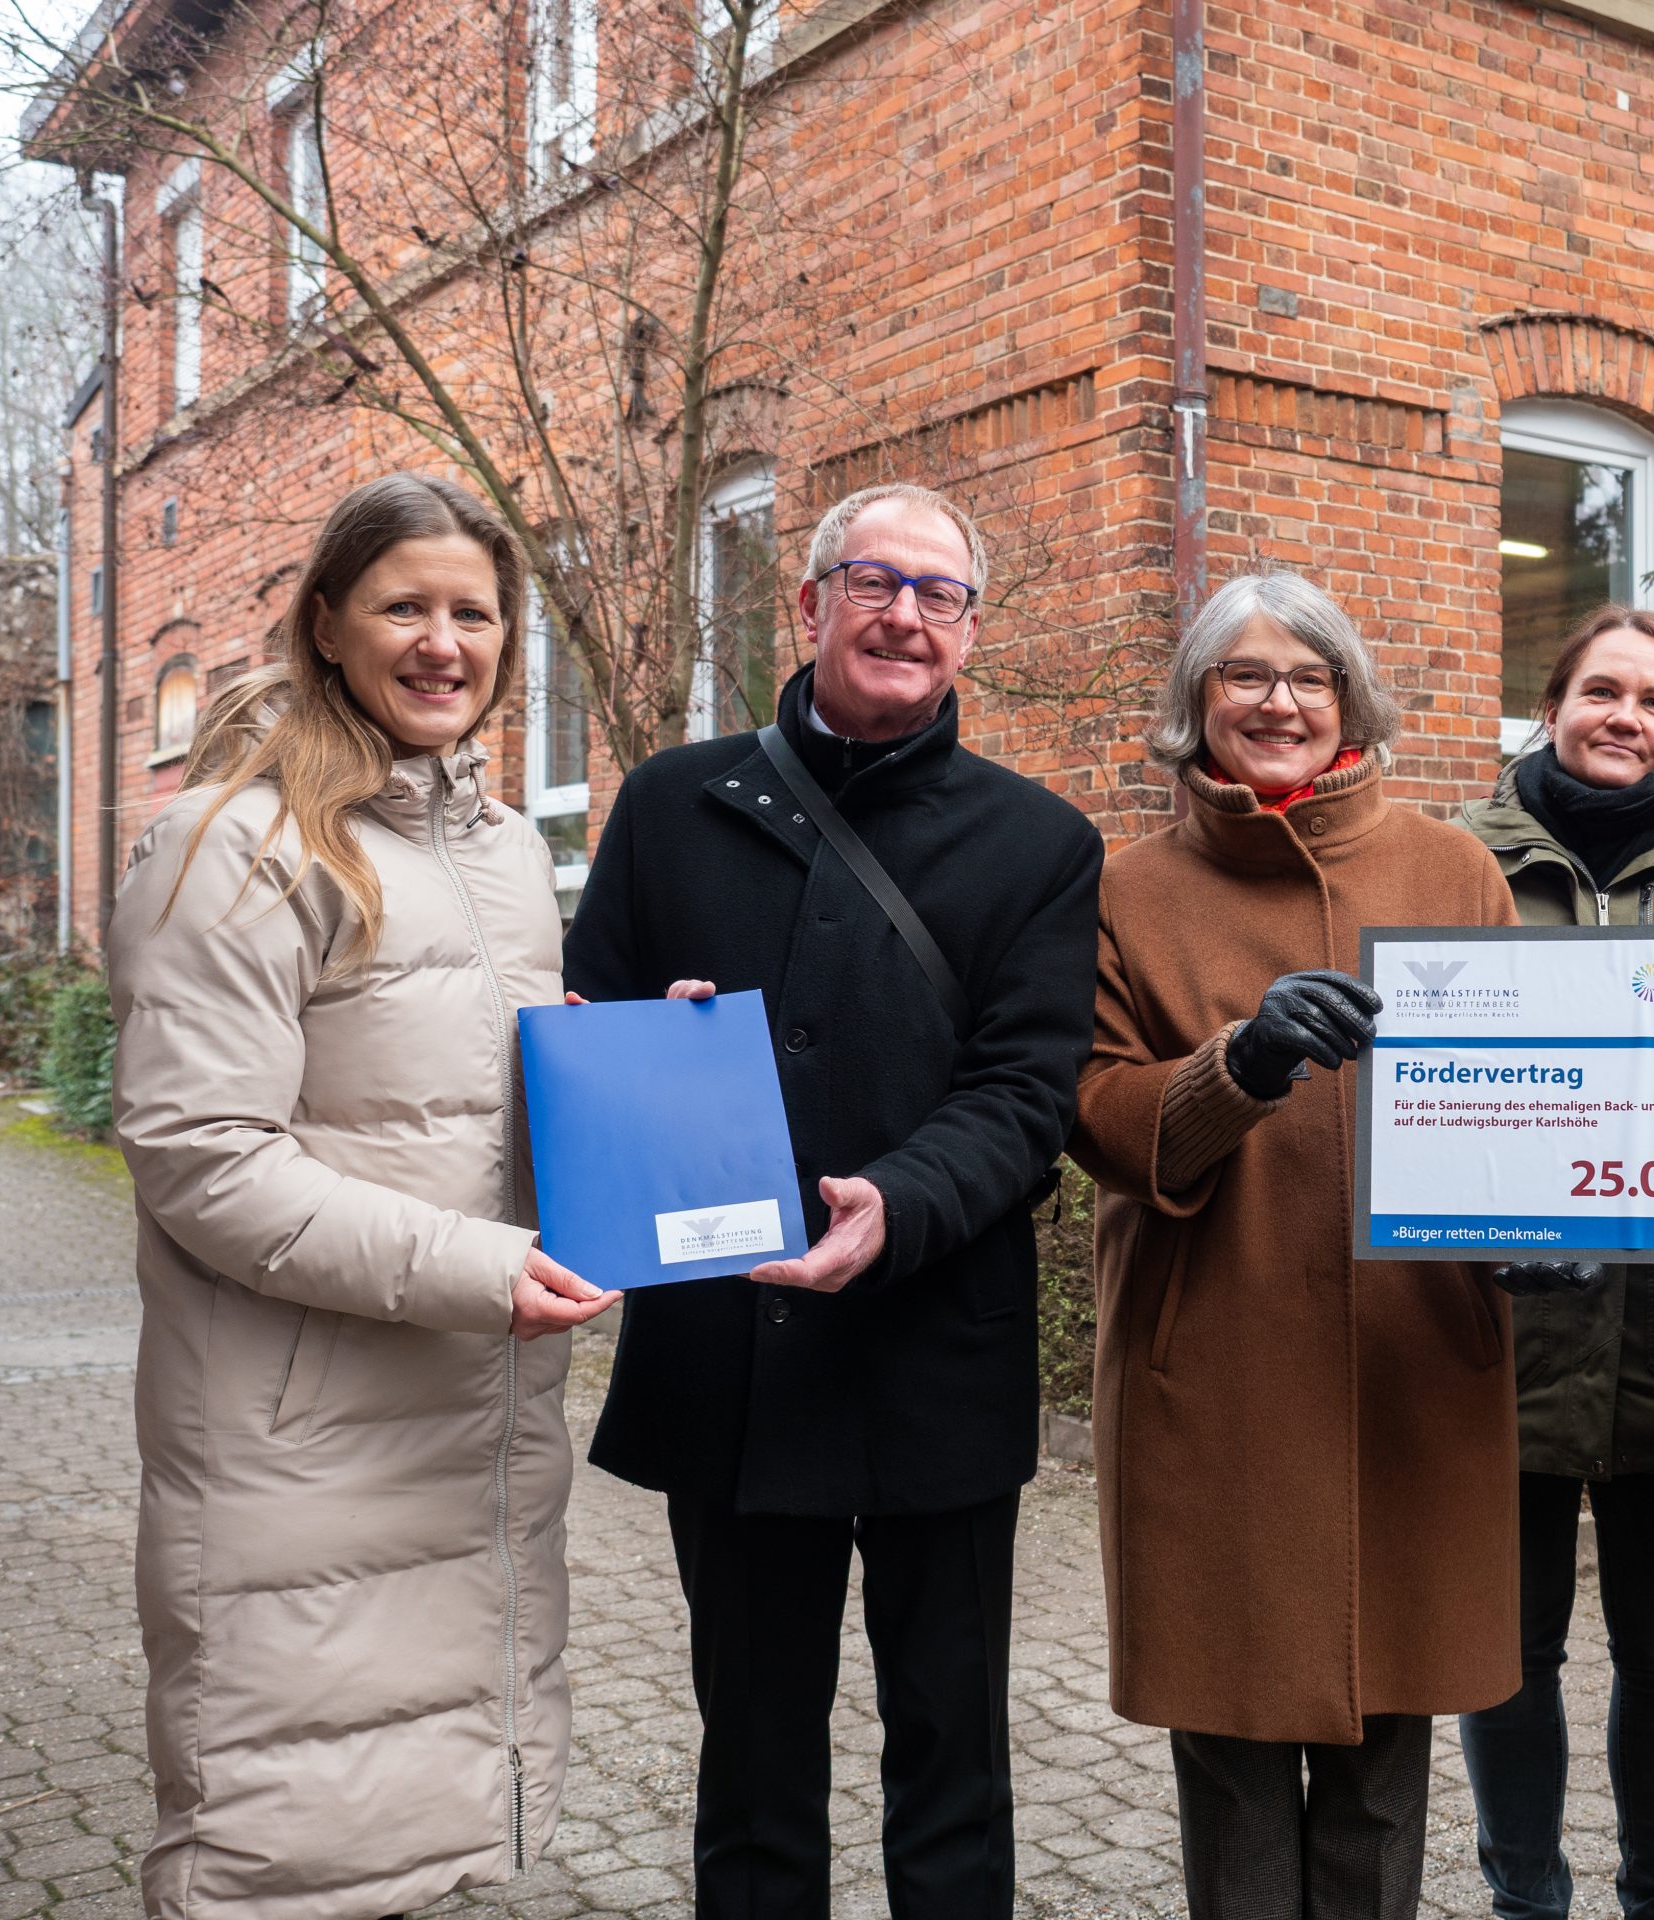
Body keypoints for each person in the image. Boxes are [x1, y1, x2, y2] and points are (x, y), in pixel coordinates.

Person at [562, 481, 1101, 1918]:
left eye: (941, 594)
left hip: (937, 1353)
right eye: (875, 580)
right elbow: (582, 1018)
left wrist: (902, 1201)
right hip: (730, 1361)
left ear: (970, 634)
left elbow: (1025, 1091)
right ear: (807, 605)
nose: (905, 615)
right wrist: (637, 1048)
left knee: (952, 1766)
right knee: (749, 1767)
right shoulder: (669, 804)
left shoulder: (1040, 844)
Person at [107, 472, 620, 1920]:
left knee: (432, 1836)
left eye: (475, 612)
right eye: (405, 606)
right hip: (304, 1449)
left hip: (471, 1428)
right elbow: (206, 1159)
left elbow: (441, 1091)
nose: (442, 641)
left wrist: (630, 1070)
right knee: (286, 1848)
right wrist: (479, 1270)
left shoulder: (505, 852)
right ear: (328, 623)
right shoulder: (231, 843)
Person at [1070, 572, 1561, 1920]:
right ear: (1197, 706)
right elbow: (1104, 1120)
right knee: (1229, 1760)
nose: (1279, 701)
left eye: (1309, 675)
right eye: (1245, 675)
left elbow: (1518, 1096)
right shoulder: (1127, 890)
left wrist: (1538, 1234)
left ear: (1351, 699)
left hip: (1409, 1371)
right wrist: (1241, 1063)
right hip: (1211, 1375)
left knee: (1387, 1754)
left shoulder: (1451, 868)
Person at [1453, 605, 1654, 1920]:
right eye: (1601, 690)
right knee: (1505, 1654)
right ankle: (1526, 1899)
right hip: (1495, 1340)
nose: (1625, 717)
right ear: (1554, 702)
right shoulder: (1458, 865)